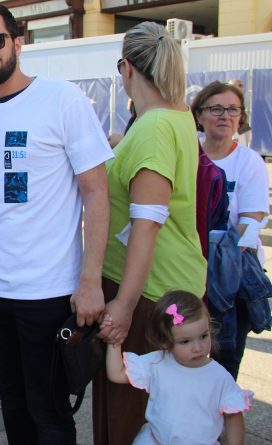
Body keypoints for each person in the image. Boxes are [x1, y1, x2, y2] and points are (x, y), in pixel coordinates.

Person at [0, 4, 113, 443]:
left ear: (17, 42)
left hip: (48, 292)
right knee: (12, 403)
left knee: (50, 412)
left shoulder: (62, 99)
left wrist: (91, 280)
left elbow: (96, 194)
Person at [94, 22, 207, 444]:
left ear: (126, 68)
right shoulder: (174, 116)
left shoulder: (153, 128)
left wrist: (122, 307)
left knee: (133, 417)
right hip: (167, 283)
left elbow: (147, 226)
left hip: (146, 293)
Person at [192, 81, 269, 379]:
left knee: (225, 364)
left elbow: (249, 223)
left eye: (233, 110)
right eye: (216, 109)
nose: (225, 115)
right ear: (199, 115)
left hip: (232, 279)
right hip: (188, 273)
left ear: (241, 118)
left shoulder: (249, 161)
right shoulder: (189, 154)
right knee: (185, 358)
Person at [105, 290, 251, 444]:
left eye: (203, 336)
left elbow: (233, 416)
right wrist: (114, 339)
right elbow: (117, 374)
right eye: (185, 341)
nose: (198, 347)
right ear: (165, 342)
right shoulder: (157, 363)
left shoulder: (219, 377)